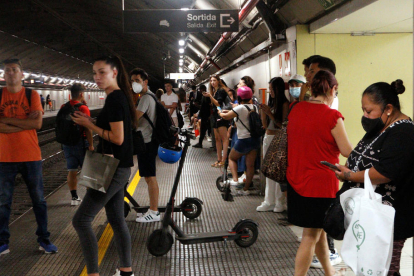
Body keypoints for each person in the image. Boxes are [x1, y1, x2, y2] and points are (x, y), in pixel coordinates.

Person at [334, 80, 414, 276]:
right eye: (363, 110)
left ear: (388, 108)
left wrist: (350, 175)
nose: (365, 116)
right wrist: (350, 171)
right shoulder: (381, 127)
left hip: (390, 218)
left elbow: (384, 173)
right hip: (370, 215)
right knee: (375, 267)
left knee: (385, 269)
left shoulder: (404, 132)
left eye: (369, 111)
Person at [71, 56, 137, 276]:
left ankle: (93, 274)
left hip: (114, 169)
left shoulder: (115, 100)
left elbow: (117, 138)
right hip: (118, 166)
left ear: (115, 73)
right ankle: (126, 271)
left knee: (81, 220)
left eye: (102, 72)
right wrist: (89, 122)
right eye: (94, 73)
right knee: (117, 219)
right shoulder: (118, 98)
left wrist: (89, 124)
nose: (97, 77)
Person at [286, 70, 352, 276]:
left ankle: (329, 272)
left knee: (318, 232)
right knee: (310, 236)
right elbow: (347, 151)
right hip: (320, 185)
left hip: (296, 180)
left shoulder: (295, 109)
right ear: (333, 89)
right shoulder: (332, 116)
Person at [0, 58, 58, 255]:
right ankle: (2, 242)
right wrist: (23, 121)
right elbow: (28, 123)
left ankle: (44, 239)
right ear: (4, 74)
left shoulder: (32, 94)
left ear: (21, 74)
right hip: (4, 157)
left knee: (39, 200)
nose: (11, 73)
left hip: (30, 155)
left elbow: (37, 125)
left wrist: (6, 123)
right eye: (7, 70)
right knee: (3, 202)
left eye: (14, 70)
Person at [130, 68, 161, 223]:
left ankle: (154, 212)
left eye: (137, 80)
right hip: (148, 140)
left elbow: (134, 118)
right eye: (132, 81)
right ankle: (152, 210)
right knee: (149, 177)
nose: (134, 83)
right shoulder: (150, 96)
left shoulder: (145, 98)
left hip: (147, 142)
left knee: (150, 177)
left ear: (145, 82)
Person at [218, 86, 260, 195]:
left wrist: (220, 113)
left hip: (243, 140)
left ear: (239, 96)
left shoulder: (239, 108)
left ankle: (235, 180)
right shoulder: (255, 107)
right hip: (255, 140)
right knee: (250, 165)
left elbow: (226, 117)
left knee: (232, 158)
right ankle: (246, 189)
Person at [256, 77, 289, 212]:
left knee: (277, 171)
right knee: (268, 170)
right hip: (268, 137)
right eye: (269, 89)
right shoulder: (272, 103)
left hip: (278, 139)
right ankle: (269, 200)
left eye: (272, 89)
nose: (270, 92)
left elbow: (282, 125)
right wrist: (264, 113)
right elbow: (265, 125)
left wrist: (269, 113)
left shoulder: (284, 104)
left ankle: (279, 202)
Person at [60, 83, 94, 206]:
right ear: (81, 94)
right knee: (87, 171)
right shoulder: (83, 108)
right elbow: (88, 128)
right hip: (81, 143)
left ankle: (74, 198)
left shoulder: (64, 106)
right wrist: (91, 144)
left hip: (67, 144)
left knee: (72, 170)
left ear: (70, 94)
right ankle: (90, 199)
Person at [205, 75, 230, 167]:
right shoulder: (215, 91)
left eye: (214, 80)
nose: (212, 82)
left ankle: (224, 160)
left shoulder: (221, 91)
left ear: (219, 81)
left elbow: (218, 103)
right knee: (217, 138)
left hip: (221, 115)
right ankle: (219, 159)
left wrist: (210, 96)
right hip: (215, 116)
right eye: (211, 81)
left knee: (224, 138)